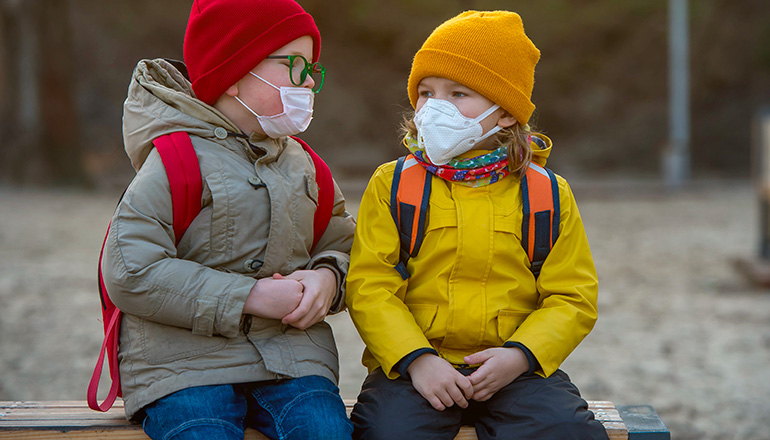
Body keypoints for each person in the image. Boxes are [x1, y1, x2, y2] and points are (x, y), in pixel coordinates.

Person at [345, 10, 608, 440]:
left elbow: (572, 296)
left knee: (565, 432)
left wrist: (521, 356)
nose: (435, 108)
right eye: (426, 92)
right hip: (412, 370)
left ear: (505, 113)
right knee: (386, 432)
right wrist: (415, 358)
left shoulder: (547, 193)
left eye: (459, 93)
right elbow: (369, 286)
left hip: (515, 370)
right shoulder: (392, 184)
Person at [101, 0, 355, 439]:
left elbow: (345, 243)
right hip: (182, 367)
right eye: (294, 65)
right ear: (236, 73)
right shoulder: (176, 161)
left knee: (325, 430)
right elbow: (130, 269)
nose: (309, 81)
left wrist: (329, 278)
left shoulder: (307, 165)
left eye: (313, 68)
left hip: (292, 361)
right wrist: (248, 296)